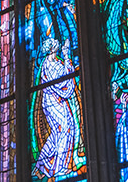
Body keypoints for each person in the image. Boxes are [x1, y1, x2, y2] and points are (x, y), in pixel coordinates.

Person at [33, 39, 81, 180]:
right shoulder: (47, 65)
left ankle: (41, 167)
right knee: (64, 129)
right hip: (52, 101)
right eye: (55, 45)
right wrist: (66, 58)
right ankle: (60, 167)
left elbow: (66, 74)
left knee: (59, 132)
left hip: (59, 100)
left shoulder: (58, 61)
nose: (57, 46)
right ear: (51, 49)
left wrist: (66, 57)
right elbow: (60, 83)